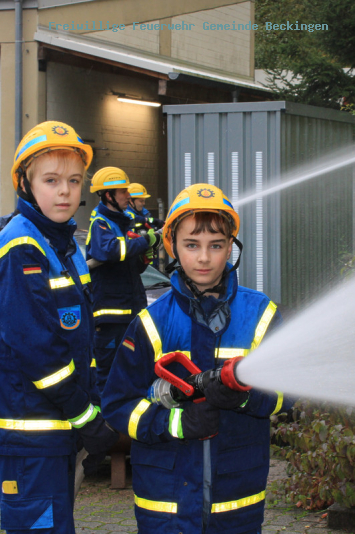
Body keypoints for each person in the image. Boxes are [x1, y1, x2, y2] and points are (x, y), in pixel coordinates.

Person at [102, 183, 291, 534]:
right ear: (173, 246)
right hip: (166, 506)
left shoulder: (261, 315)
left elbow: (286, 394)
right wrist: (174, 424)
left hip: (235, 504)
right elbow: (118, 405)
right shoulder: (150, 324)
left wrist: (245, 395)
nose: (204, 258)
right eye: (192, 245)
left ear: (231, 247)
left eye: (216, 246)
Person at [0, 121, 118, 534]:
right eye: (51, 180)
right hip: (29, 437)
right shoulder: (21, 247)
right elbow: (39, 351)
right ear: (26, 184)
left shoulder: (65, 244)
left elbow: (77, 336)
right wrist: (85, 415)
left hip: (52, 433)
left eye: (74, 181)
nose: (65, 191)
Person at [86, 167, 157, 399]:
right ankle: (102, 427)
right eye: (123, 191)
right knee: (106, 373)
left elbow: (130, 267)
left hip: (131, 311)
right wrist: (145, 240)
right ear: (108, 195)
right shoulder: (101, 224)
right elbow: (110, 251)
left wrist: (144, 257)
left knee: (131, 368)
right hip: (111, 317)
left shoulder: (124, 221)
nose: (128, 195)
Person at [124, 183, 164, 268]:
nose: (144, 203)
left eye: (144, 200)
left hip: (151, 259)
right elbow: (136, 220)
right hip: (137, 261)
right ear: (131, 201)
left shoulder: (145, 213)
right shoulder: (126, 214)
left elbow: (151, 227)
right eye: (141, 201)